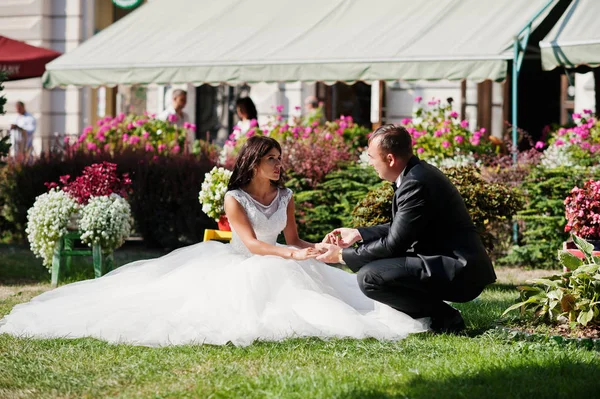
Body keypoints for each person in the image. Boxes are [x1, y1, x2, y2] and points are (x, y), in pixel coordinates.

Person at [0, 136, 427, 347]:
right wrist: (291, 253)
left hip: (281, 257)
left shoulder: (288, 196)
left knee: (337, 296)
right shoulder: (234, 197)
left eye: (281, 160)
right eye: (272, 160)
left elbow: (293, 237)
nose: (280, 167)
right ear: (254, 163)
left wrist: (315, 248)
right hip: (241, 263)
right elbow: (255, 245)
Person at [317, 124, 496, 334]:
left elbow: (394, 244)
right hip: (448, 262)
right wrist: (358, 233)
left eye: (372, 157)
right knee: (373, 272)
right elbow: (403, 228)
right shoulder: (416, 174)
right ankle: (442, 315)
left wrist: (341, 255)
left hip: (460, 271)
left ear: (390, 159)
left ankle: (446, 318)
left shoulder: (415, 183)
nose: (371, 163)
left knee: (370, 278)